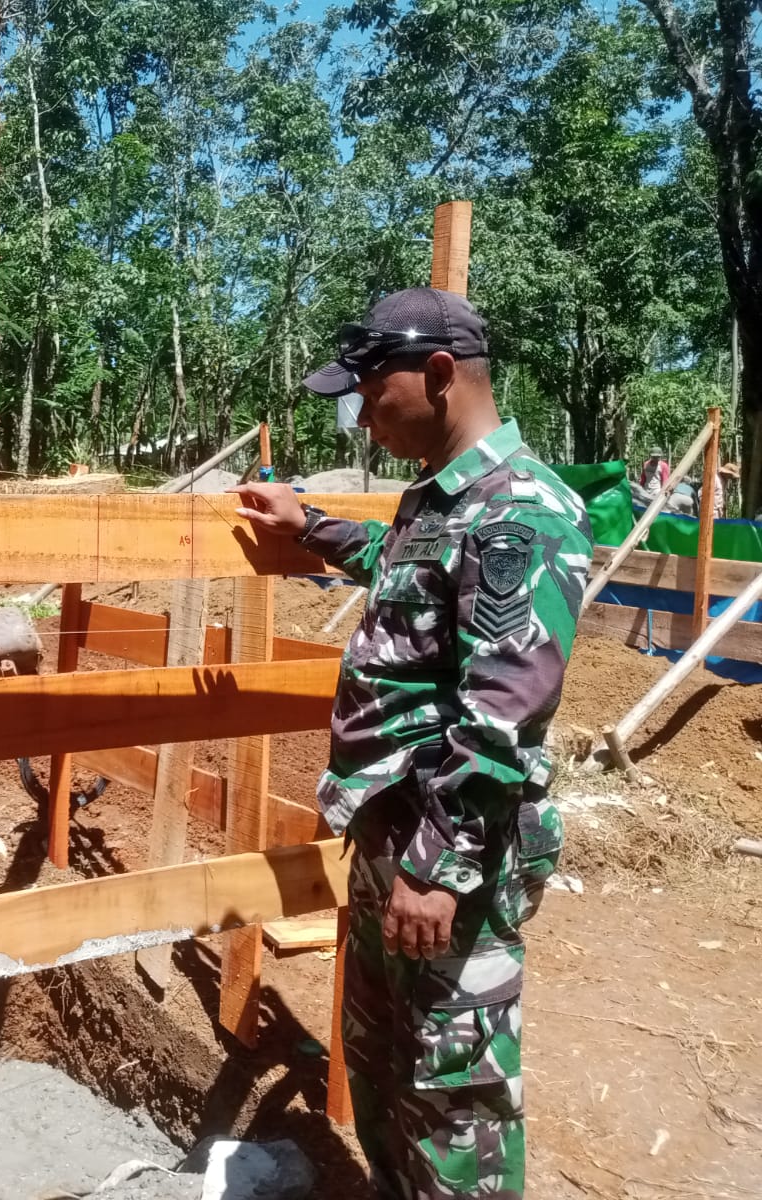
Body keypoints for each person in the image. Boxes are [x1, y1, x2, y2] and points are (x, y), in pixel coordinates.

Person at [236, 287, 592, 1200]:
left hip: (447, 856)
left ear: (439, 374)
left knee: (452, 1103)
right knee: (386, 1071)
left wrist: (438, 868)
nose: (362, 417)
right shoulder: (438, 500)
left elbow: (503, 713)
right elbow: (407, 576)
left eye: (370, 394)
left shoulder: (520, 512)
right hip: (391, 839)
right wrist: (312, 528)